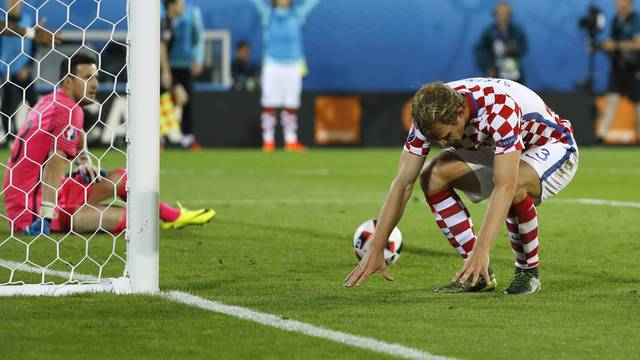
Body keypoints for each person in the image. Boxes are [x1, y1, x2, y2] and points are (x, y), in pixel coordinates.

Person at [345, 77, 579, 295]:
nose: (442, 144)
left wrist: (483, 248)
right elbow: (403, 184)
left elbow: (505, 186)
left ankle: (528, 274)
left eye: (445, 136)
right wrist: (377, 246)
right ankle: (476, 274)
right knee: (432, 176)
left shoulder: (498, 109)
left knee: (514, 182)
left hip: (551, 146)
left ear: (460, 112)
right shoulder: (427, 116)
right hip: (498, 147)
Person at [3, 54, 216, 236]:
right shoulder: (69, 110)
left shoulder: (51, 100)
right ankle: (166, 217)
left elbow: (75, 136)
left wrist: (83, 160)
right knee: (133, 219)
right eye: (87, 78)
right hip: (31, 209)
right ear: (68, 82)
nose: (95, 84)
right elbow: (55, 163)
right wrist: (46, 216)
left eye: (96, 77)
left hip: (40, 190)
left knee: (123, 176)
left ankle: (173, 217)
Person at [250, 0, 320, 152]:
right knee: (270, 102)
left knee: (291, 103)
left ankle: (291, 140)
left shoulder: (298, 14)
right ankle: (268, 140)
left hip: (294, 65)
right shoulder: (268, 14)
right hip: (273, 64)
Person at [596, 0, 640, 143]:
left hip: (635, 68)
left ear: (629, 2)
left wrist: (615, 46)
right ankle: (600, 137)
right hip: (618, 68)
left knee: (638, 105)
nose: (617, 3)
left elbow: (637, 44)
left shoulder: (636, 19)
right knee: (611, 100)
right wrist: (604, 45)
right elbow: (613, 41)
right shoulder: (616, 20)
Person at [168, 0, 205, 150]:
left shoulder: (193, 12)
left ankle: (188, 137)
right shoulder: (163, 14)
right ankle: (162, 138)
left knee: (187, 102)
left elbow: (198, 38)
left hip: (186, 65)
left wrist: (198, 59)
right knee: (164, 100)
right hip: (167, 65)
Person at [0, 0, 37, 144]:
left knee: (35, 105)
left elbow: (34, 47)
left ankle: (34, 135)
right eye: (10, 1)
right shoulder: (2, 22)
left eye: (15, 1)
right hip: (7, 71)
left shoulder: (28, 21)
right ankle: (11, 139)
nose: (13, 3)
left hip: (24, 70)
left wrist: (28, 66)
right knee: (8, 106)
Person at [474, 2, 527, 84]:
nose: (502, 16)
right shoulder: (489, 32)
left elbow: (523, 47)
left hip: (514, 73)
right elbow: (480, 51)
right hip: (495, 72)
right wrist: (487, 67)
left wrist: (513, 48)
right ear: (495, 15)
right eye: (500, 13)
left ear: (509, 15)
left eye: (505, 13)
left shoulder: (516, 31)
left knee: (515, 94)